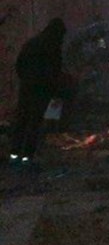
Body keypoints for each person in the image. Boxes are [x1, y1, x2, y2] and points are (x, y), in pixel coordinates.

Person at [8, 18, 68, 165]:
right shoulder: (53, 47)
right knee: (34, 123)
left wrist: (25, 80)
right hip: (42, 91)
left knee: (21, 120)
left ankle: (14, 154)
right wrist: (54, 88)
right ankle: (27, 156)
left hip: (27, 88)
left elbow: (19, 64)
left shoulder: (32, 43)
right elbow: (55, 71)